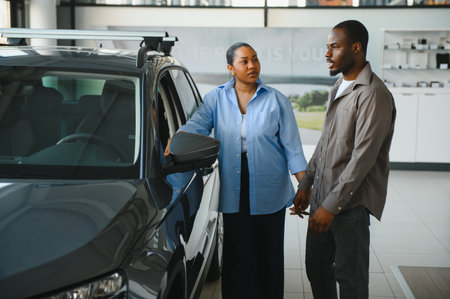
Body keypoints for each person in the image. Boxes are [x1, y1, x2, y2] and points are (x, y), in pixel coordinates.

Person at [167, 42, 307, 299]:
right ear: (231, 68)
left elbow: (293, 149)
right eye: (244, 61)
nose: (252, 65)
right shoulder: (215, 98)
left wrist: (305, 187)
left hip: (271, 187)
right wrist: (174, 141)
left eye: (255, 59)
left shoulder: (276, 100)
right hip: (234, 185)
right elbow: (195, 126)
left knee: (270, 254)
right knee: (238, 253)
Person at [290, 20, 396, 299]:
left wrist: (331, 206)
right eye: (327, 47)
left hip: (350, 207)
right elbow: (325, 142)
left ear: (356, 48)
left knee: (350, 281)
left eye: (334, 47)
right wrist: (306, 185)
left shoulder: (373, 94)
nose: (327, 54)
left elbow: (363, 158)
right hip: (322, 200)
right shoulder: (338, 86)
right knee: (316, 268)